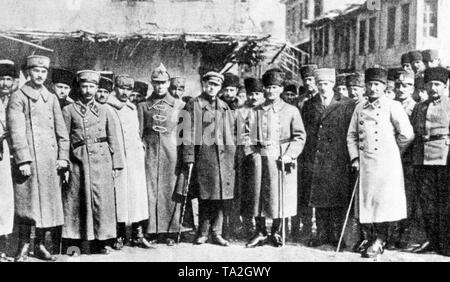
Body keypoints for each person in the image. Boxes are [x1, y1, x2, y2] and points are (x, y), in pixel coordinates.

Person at [7, 55, 70, 261]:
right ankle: (23, 246)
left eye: (43, 72)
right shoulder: (18, 96)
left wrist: (63, 157)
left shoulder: (51, 98)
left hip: (50, 162)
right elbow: (16, 130)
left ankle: (41, 245)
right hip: (30, 161)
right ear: (28, 73)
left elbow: (62, 132)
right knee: (28, 206)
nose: (40, 75)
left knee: (48, 206)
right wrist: (23, 159)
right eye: (36, 71)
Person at [347, 67, 414, 258]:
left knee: (383, 202)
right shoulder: (360, 108)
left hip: (387, 164)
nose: (373, 88)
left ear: (384, 87)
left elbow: (407, 134)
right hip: (366, 162)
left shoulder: (393, 106)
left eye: (377, 84)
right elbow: (351, 136)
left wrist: (394, 151)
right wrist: (354, 158)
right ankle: (371, 237)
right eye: (369, 84)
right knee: (368, 203)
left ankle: (379, 240)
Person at [62, 70, 123, 255]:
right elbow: (63, 138)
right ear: (79, 87)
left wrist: (117, 163)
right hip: (78, 162)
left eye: (92, 86)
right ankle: (74, 244)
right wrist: (64, 162)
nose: (88, 90)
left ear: (97, 88)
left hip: (102, 162)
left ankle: (102, 242)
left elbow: (113, 138)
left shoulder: (105, 110)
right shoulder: (68, 110)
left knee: (102, 203)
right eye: (84, 86)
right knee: (76, 204)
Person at [244, 69, 306, 248]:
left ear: (280, 89)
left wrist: (289, 155)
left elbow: (299, 136)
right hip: (259, 157)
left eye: (274, 87)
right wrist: (251, 153)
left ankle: (276, 232)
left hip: (280, 157)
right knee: (257, 196)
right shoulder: (255, 110)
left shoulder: (291, 110)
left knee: (279, 197)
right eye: (267, 88)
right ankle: (261, 231)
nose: (270, 91)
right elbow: (245, 133)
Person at [300, 68, 355, 248]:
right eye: (320, 84)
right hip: (317, 157)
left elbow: (350, 131)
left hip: (338, 159)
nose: (323, 87)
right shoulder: (309, 104)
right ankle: (322, 234)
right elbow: (306, 131)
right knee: (319, 198)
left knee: (337, 199)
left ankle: (336, 235)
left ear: (333, 84)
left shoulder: (346, 104)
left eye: (326, 84)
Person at [138, 63, 193, 246]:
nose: (160, 86)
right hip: (150, 154)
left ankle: (172, 231)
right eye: (156, 82)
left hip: (173, 154)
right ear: (152, 83)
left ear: (169, 83)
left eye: (163, 82)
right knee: (151, 192)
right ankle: (152, 231)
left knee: (171, 192)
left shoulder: (181, 105)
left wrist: (187, 157)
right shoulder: (143, 106)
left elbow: (186, 134)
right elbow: (138, 132)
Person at [183, 71, 236, 247]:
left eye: (216, 85)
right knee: (205, 195)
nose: (212, 88)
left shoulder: (224, 106)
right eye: (209, 84)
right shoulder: (193, 104)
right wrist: (189, 156)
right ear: (203, 84)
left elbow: (231, 132)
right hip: (204, 157)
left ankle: (217, 232)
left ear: (220, 87)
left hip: (224, 158)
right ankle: (203, 232)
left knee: (221, 196)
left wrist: (232, 154)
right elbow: (187, 132)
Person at [107, 74, 151, 250]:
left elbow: (136, 133)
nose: (125, 92)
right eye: (121, 88)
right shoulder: (108, 107)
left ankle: (137, 234)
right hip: (117, 157)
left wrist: (140, 148)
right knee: (119, 196)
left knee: (136, 195)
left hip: (134, 158)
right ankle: (119, 234)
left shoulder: (132, 108)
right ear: (115, 88)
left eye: (128, 89)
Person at [410, 67, 450, 256]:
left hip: (444, 158)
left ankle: (446, 242)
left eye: (437, 84)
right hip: (421, 158)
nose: (433, 88)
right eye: (430, 84)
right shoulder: (419, 107)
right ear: (425, 85)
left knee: (445, 202)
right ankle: (431, 240)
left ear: (444, 86)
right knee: (427, 204)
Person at [386, 69, 417, 250]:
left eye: (406, 85)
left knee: (408, 198)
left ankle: (405, 235)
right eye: (398, 85)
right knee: (391, 197)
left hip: (409, 160)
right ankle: (391, 235)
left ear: (412, 88)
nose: (401, 89)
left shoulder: (417, 107)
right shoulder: (388, 105)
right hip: (390, 161)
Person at [238, 78, 266, 239]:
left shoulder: (266, 110)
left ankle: (264, 229)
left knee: (261, 194)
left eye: (257, 93)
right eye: (251, 94)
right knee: (248, 193)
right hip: (245, 157)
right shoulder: (240, 111)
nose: (254, 97)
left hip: (263, 157)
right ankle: (249, 226)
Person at [0, 61, 16, 261]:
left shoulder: (14, 99)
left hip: (7, 153)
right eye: (1, 78)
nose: (4, 83)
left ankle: (3, 248)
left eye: (8, 79)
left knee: (5, 200)